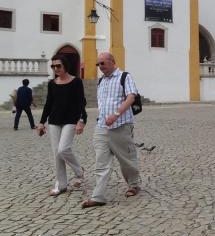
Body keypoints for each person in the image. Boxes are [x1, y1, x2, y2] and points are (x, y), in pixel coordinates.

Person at [82, 52, 142, 208]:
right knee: (101, 162)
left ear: (112, 62)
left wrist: (116, 114)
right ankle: (98, 196)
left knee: (126, 160)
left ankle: (133, 184)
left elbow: (131, 97)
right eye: (98, 64)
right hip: (102, 127)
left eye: (103, 63)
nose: (100, 67)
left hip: (121, 126)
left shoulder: (124, 77)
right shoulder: (101, 80)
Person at [35, 55, 86, 196]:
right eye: (53, 66)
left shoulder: (76, 82)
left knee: (63, 149)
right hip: (54, 121)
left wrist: (81, 120)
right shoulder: (52, 83)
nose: (56, 68)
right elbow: (48, 104)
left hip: (71, 120)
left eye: (58, 66)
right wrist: (41, 122)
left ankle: (79, 172)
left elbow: (81, 102)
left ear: (65, 66)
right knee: (56, 154)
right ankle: (61, 184)